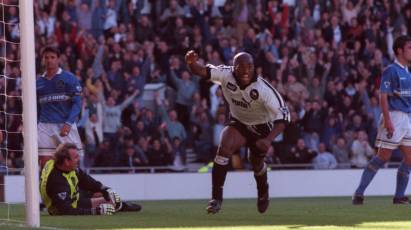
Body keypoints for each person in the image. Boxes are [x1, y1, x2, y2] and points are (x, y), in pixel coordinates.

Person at [185, 50, 290, 214]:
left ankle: (263, 192)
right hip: (238, 123)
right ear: (234, 68)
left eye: (250, 67)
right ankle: (216, 199)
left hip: (261, 127)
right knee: (223, 148)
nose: (246, 71)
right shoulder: (226, 74)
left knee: (256, 163)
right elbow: (202, 71)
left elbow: (284, 117)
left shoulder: (264, 90)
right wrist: (191, 63)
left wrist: (269, 140)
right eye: (242, 67)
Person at [353, 35, 411, 205]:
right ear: (399, 50)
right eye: (409, 47)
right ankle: (358, 193)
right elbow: (383, 98)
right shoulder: (390, 70)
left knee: (410, 158)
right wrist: (388, 121)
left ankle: (399, 196)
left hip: (407, 118)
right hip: (393, 116)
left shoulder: (407, 71)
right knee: (383, 157)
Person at [40, 143, 141, 215]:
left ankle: (119, 205)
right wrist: (95, 211)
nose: (78, 159)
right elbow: (65, 210)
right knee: (107, 204)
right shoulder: (56, 181)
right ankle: (119, 206)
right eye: (76, 157)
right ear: (66, 161)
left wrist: (105, 189)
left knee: (105, 195)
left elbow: (88, 181)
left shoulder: (66, 166)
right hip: (63, 206)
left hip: (73, 196)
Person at [37, 46, 83, 168]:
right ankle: (46, 187)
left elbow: (77, 103)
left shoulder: (69, 78)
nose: (49, 60)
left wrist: (68, 123)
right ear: (43, 60)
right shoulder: (38, 82)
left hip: (64, 124)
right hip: (44, 126)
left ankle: (74, 186)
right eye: (46, 57)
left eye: (52, 57)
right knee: (45, 162)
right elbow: (37, 107)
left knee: (71, 163)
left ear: (58, 60)